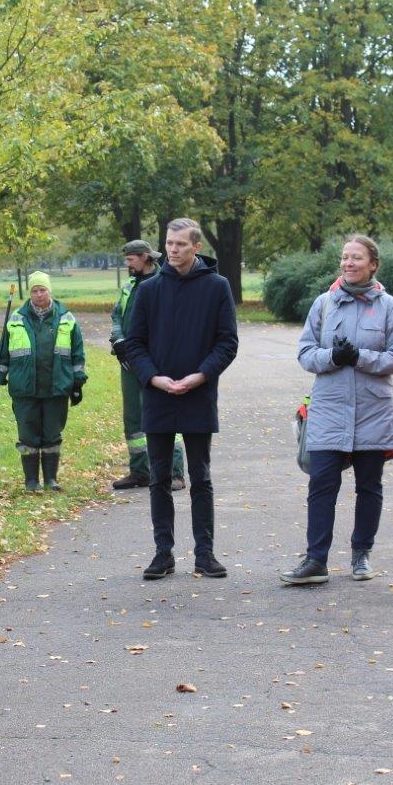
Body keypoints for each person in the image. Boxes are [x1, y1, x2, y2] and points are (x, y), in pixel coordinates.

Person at [282, 235, 393, 586]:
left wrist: (361, 358)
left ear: (372, 265)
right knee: (321, 484)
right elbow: (306, 353)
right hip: (329, 409)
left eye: (356, 258)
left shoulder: (389, 307)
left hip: (373, 411)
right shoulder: (324, 304)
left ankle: (361, 554)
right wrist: (333, 357)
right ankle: (315, 559)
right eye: (345, 258)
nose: (348, 263)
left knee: (369, 485)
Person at [122, 218, 238, 580]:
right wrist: (153, 377)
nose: (173, 250)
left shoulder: (217, 288)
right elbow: (134, 343)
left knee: (200, 477)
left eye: (180, 245)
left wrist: (200, 375)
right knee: (158, 478)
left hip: (198, 393)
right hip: (158, 395)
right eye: (169, 244)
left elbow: (227, 342)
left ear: (196, 248)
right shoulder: (149, 290)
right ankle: (163, 553)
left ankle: (205, 553)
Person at [0, 271, 88, 491]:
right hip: (25, 389)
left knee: (52, 434)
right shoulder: (16, 319)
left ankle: (51, 479)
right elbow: (2, 354)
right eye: (35, 290)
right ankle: (31, 481)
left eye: (43, 290)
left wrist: (77, 383)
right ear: (30, 293)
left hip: (56, 388)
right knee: (27, 436)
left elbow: (77, 355)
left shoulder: (66, 318)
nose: (39, 294)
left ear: (49, 291)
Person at [109, 240, 185, 491]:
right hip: (130, 362)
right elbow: (117, 315)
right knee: (133, 418)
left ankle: (175, 473)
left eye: (131, 259)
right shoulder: (129, 285)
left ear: (144, 258)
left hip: (157, 362)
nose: (127, 264)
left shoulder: (166, 283)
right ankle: (140, 471)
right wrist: (119, 341)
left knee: (166, 414)